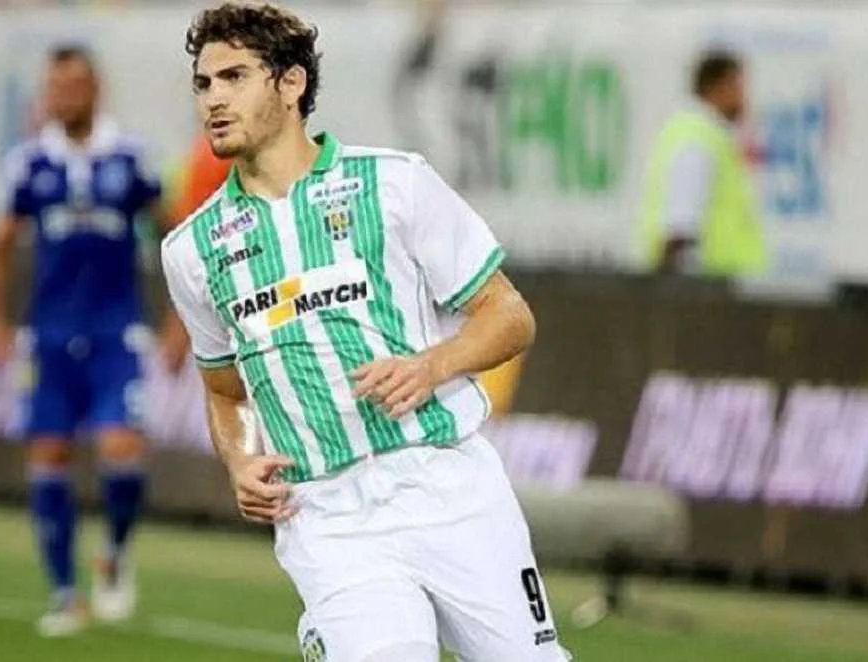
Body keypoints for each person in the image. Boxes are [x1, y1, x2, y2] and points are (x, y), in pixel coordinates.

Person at [160, 4, 572, 660]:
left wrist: (432, 366)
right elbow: (224, 391)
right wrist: (240, 460)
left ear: (290, 83)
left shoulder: (394, 183)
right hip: (325, 514)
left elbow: (509, 315)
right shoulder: (192, 249)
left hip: (447, 485)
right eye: (203, 83)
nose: (213, 98)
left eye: (234, 77)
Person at [0, 45, 167, 637]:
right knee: (49, 455)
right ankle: (64, 593)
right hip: (49, 337)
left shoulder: (131, 158)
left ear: (96, 89)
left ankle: (114, 549)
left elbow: (175, 234)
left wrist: (181, 325)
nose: (63, 97)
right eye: (55, 88)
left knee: (121, 450)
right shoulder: (29, 163)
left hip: (117, 333)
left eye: (73, 86)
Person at [638, 49, 766, 276]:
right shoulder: (697, 140)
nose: (744, 99)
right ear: (718, 87)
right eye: (738, 88)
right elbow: (680, 226)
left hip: (718, 280)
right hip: (711, 283)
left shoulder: (702, 133)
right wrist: (675, 289)